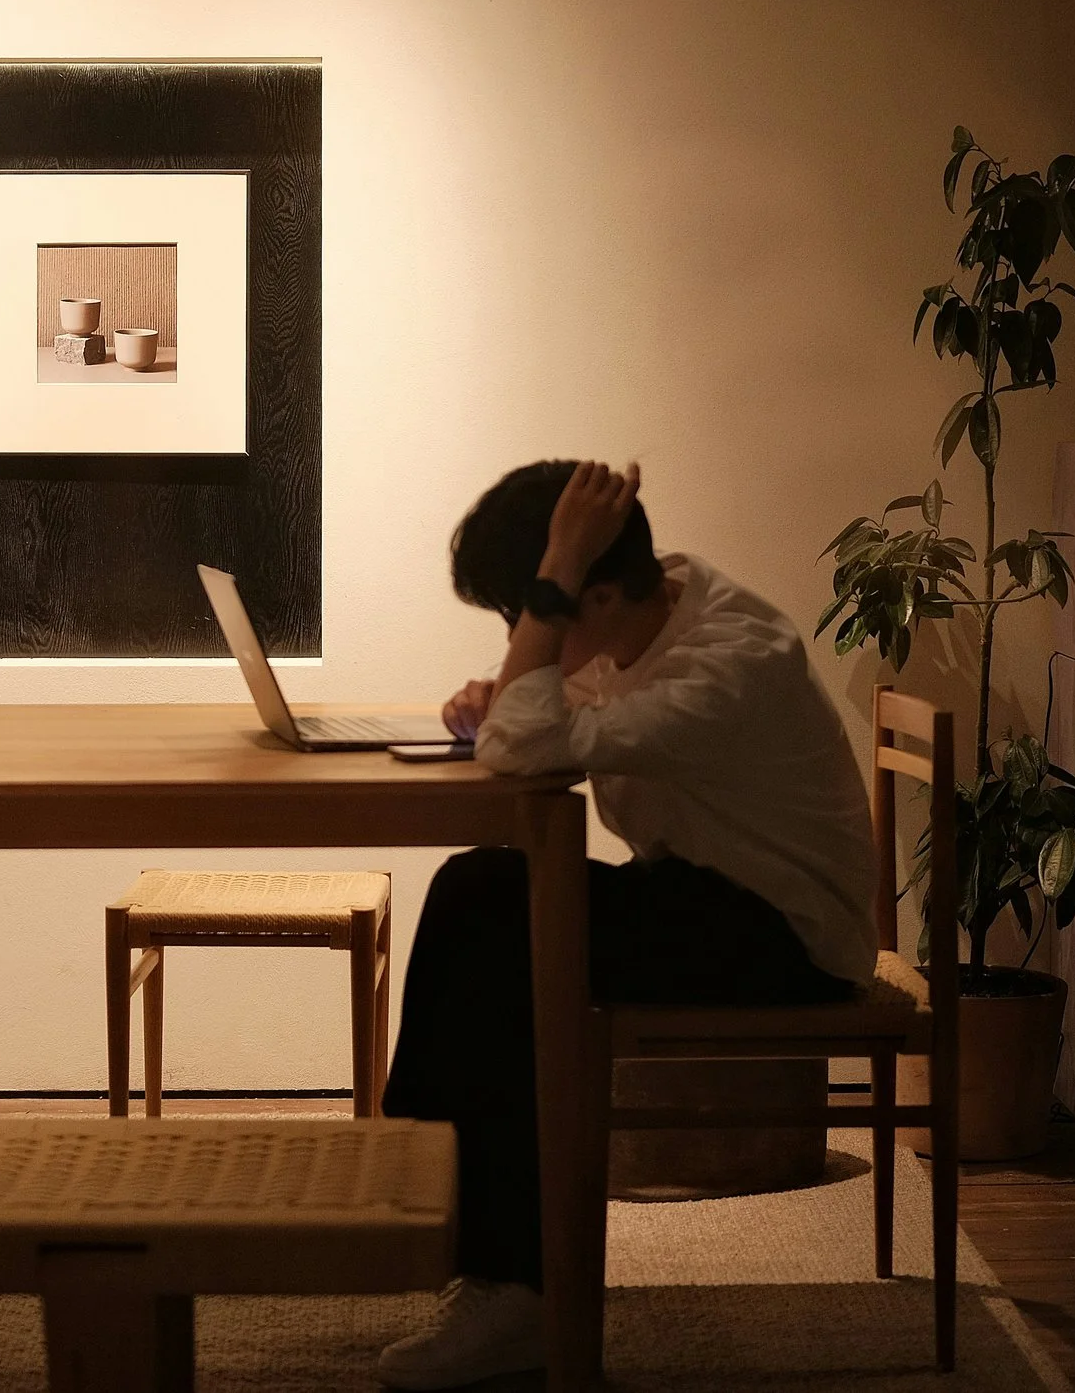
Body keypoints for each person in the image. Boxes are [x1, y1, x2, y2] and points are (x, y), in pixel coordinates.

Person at [375, 460, 877, 1391]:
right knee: (484, 898)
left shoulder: (725, 666)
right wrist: (508, 687)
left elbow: (521, 744)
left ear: (593, 592)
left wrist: (526, 673)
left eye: (532, 609)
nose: (519, 634)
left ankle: (504, 1275)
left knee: (491, 911)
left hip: (785, 938)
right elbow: (533, 721)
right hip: (704, 897)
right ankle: (451, 1222)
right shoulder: (651, 616)